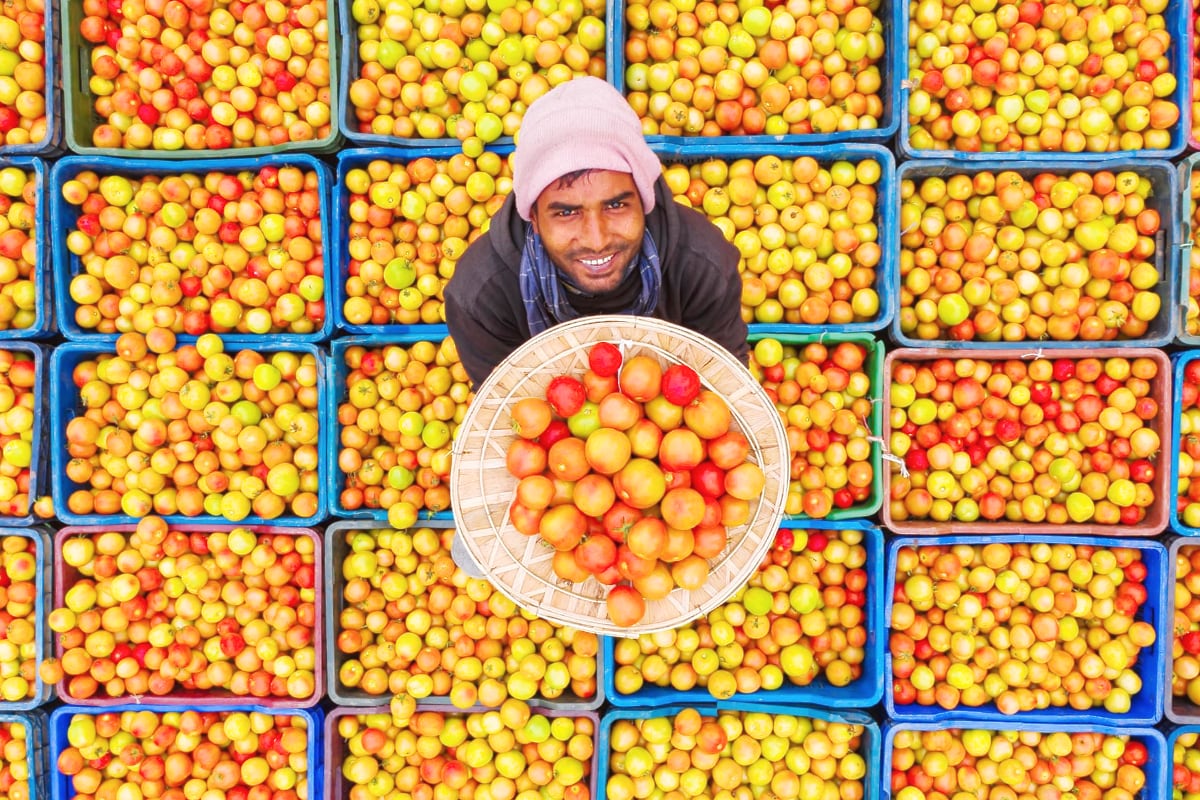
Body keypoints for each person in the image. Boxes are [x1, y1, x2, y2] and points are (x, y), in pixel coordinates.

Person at [444, 76, 748, 389]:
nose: (597, 240)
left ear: (643, 198)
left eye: (616, 206)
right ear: (532, 216)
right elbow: (507, 412)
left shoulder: (702, 266)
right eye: (566, 212)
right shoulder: (483, 297)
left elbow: (724, 393)